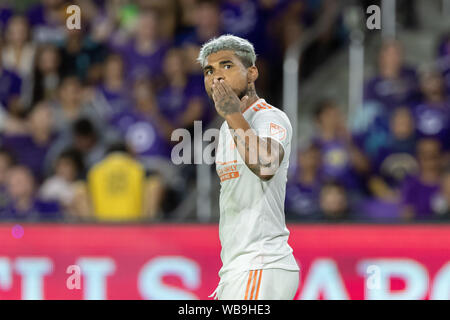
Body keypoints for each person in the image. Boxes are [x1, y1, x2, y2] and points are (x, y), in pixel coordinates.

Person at [198, 35, 299, 300]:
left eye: (226, 66)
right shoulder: (224, 129)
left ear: (252, 72)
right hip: (237, 268)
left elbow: (266, 166)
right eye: (210, 70)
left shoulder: (269, 117)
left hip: (262, 262)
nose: (216, 77)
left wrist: (232, 113)